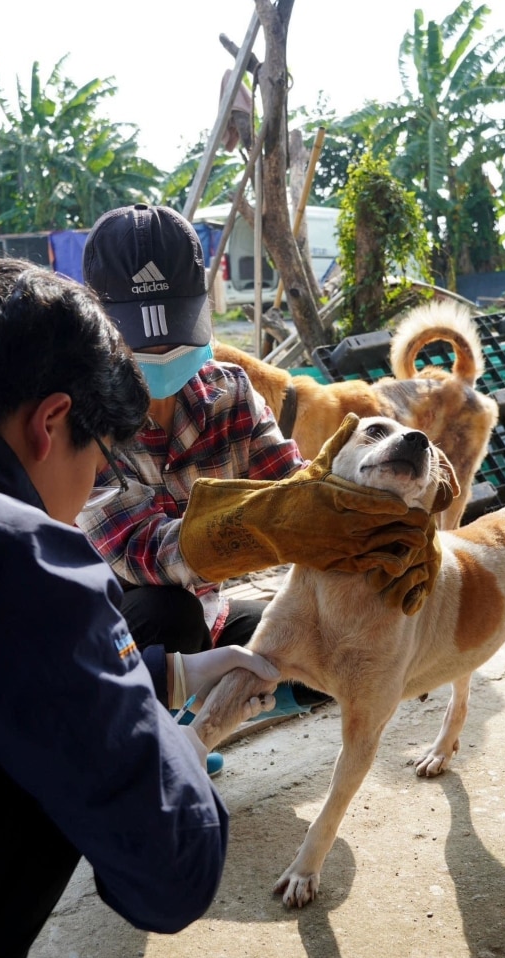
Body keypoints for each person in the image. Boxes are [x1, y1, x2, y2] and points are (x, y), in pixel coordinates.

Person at [0, 258, 282, 958]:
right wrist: (182, 738)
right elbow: (174, 865)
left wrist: (174, 674)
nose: (94, 484)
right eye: (99, 462)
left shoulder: (234, 396)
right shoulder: (19, 555)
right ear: (49, 424)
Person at [78, 204, 441, 692]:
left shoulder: (230, 393)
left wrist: (363, 515)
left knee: (324, 651)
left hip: (208, 611)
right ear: (98, 327)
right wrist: (275, 524)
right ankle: (146, 739)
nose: (163, 355)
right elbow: (142, 552)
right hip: (113, 631)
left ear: (202, 309)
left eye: (174, 338)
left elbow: (291, 482)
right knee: (169, 613)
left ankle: (193, 714)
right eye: (143, 343)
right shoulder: (83, 420)